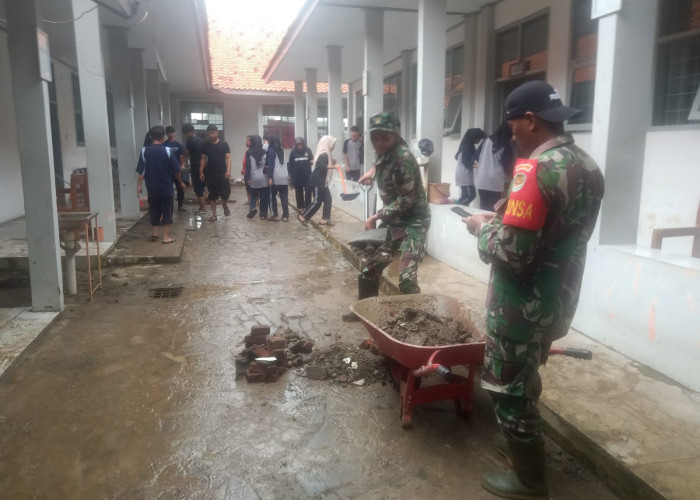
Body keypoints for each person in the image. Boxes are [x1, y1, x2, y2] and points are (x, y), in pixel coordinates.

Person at [463, 81, 604, 499]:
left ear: (530, 120)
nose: (510, 133)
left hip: (519, 308)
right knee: (527, 376)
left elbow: (514, 253)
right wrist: (506, 217)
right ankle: (521, 448)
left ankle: (529, 480)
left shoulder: (536, 169)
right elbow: (558, 229)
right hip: (558, 299)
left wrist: (483, 229)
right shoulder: (587, 165)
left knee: (507, 388)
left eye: (512, 125)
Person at [352, 112, 430, 302]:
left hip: (414, 222)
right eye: (374, 138)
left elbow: (406, 200)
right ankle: (366, 311)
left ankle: (416, 319)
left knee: (406, 278)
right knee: (370, 267)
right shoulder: (384, 151)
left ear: (394, 136)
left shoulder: (404, 160)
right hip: (394, 220)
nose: (378, 143)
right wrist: (371, 171)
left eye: (384, 138)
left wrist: (375, 217)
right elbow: (379, 161)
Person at [136, 125, 185, 244]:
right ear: (163, 137)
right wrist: (180, 182)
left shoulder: (144, 151)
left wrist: (139, 186)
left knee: (154, 209)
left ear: (151, 136)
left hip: (151, 187)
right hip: (166, 186)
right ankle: (166, 237)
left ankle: (154, 233)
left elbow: (141, 171)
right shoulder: (167, 151)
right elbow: (176, 170)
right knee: (167, 210)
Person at [474, 122, 515, 211]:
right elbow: (507, 167)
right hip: (495, 181)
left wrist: (485, 162)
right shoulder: (505, 147)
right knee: (494, 208)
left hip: (482, 179)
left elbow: (476, 155)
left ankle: (481, 224)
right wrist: (514, 177)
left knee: (483, 206)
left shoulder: (486, 140)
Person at [298, 135, 336, 226]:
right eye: (333, 143)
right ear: (327, 143)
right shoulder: (324, 154)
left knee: (328, 199)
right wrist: (333, 166)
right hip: (318, 181)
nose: (334, 146)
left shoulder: (326, 153)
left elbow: (322, 165)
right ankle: (304, 216)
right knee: (317, 202)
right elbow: (321, 167)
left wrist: (332, 163)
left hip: (323, 181)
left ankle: (325, 219)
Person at [199, 125, 232, 222]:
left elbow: (228, 158)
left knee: (226, 193)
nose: (211, 135)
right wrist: (201, 171)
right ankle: (214, 215)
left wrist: (228, 171)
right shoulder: (205, 145)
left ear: (217, 133)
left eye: (213, 133)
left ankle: (224, 205)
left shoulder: (224, 144)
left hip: (222, 173)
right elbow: (203, 159)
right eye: (209, 133)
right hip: (210, 174)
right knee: (212, 195)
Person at [454, 128, 486, 206]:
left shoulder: (465, 145)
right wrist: (478, 166)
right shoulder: (468, 147)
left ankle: (458, 206)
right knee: (471, 195)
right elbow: (466, 161)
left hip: (462, 174)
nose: (479, 141)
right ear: (474, 137)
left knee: (464, 195)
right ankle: (459, 207)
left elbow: (456, 157)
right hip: (464, 175)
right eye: (478, 138)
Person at [181, 124, 206, 214]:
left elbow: (186, 154)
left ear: (190, 132)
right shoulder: (201, 140)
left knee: (197, 187)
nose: (186, 135)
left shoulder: (190, 141)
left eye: (186, 133)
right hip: (204, 166)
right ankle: (201, 206)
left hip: (196, 166)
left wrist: (181, 164)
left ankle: (203, 208)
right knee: (201, 186)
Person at [245, 135, 270, 220]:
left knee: (253, 196)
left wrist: (246, 178)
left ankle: (252, 208)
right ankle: (263, 215)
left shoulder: (248, 152)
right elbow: (267, 165)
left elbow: (247, 167)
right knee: (264, 198)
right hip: (264, 178)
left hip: (253, 177)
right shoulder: (265, 152)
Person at [288, 137, 314, 214]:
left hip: (307, 176)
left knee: (308, 192)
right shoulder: (293, 152)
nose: (299, 146)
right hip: (297, 176)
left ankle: (307, 206)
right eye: (298, 145)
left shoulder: (308, 150)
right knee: (298, 192)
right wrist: (291, 175)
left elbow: (311, 160)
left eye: (301, 144)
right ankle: (300, 207)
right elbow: (290, 164)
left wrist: (311, 162)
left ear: (303, 144)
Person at [164, 126, 186, 212]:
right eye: (169, 133)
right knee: (168, 188)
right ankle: (169, 206)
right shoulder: (164, 145)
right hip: (168, 171)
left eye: (172, 132)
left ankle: (180, 205)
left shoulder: (178, 145)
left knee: (180, 187)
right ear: (166, 134)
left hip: (177, 170)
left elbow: (182, 157)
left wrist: (180, 167)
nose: (171, 134)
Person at [267, 135, 289, 222]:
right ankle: (285, 215)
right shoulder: (282, 151)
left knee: (272, 196)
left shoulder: (271, 151)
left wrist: (270, 177)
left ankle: (274, 213)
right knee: (284, 197)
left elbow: (271, 165)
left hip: (276, 177)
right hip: (284, 177)